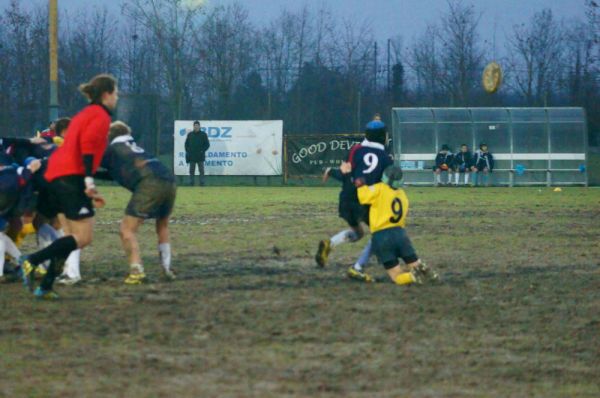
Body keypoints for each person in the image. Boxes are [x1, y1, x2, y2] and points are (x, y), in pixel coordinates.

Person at [19, 74, 118, 300]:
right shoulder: (100, 116)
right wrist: (89, 182)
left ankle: (45, 285)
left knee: (71, 237)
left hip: (54, 174)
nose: (117, 98)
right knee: (83, 237)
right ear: (106, 95)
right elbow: (87, 148)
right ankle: (31, 261)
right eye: (116, 93)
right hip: (69, 177)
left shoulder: (84, 114)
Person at [96, 121, 177, 284]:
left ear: (109, 137)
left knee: (127, 229)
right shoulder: (135, 148)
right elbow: (114, 173)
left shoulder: (113, 149)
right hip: (170, 181)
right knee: (162, 225)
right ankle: (166, 268)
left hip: (149, 183)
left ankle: (136, 270)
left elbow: (90, 162)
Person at [316, 120, 393, 282]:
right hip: (366, 198)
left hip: (347, 198)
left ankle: (329, 243)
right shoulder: (386, 157)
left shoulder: (355, 150)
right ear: (383, 137)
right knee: (380, 232)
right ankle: (363, 265)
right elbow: (386, 184)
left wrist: (331, 171)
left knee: (358, 233)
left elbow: (346, 173)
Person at [353, 165, 439, 285]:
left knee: (396, 276)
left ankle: (412, 276)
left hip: (381, 235)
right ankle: (421, 268)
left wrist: (360, 185)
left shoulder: (379, 188)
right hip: (400, 234)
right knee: (413, 262)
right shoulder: (402, 195)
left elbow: (363, 198)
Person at [185, 121, 210, 186]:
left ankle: (202, 182)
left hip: (200, 156)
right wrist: (188, 151)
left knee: (201, 171)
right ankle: (191, 182)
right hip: (192, 156)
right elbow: (186, 144)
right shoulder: (190, 134)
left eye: (197, 125)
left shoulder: (203, 134)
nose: (196, 127)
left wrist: (202, 151)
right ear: (193, 126)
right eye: (195, 125)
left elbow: (207, 145)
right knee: (191, 171)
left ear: (199, 126)